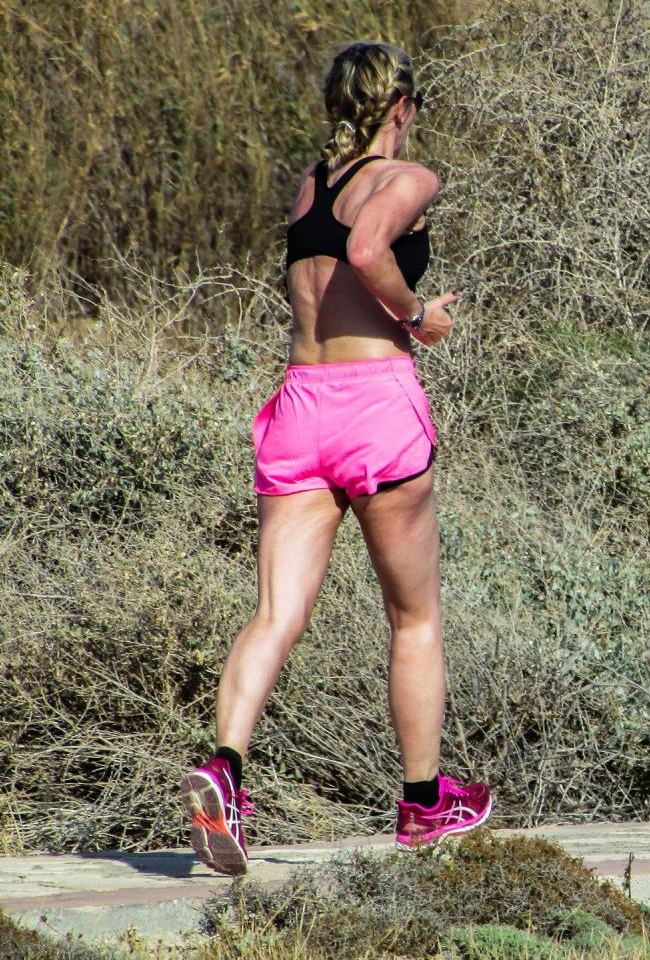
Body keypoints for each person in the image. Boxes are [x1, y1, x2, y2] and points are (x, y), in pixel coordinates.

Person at [181, 40, 490, 876]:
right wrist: (419, 315)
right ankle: (425, 805)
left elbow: (326, 262)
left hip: (299, 410)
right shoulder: (407, 178)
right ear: (402, 108)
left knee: (276, 615)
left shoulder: (308, 186)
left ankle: (225, 770)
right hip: (375, 407)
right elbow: (366, 250)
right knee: (414, 617)